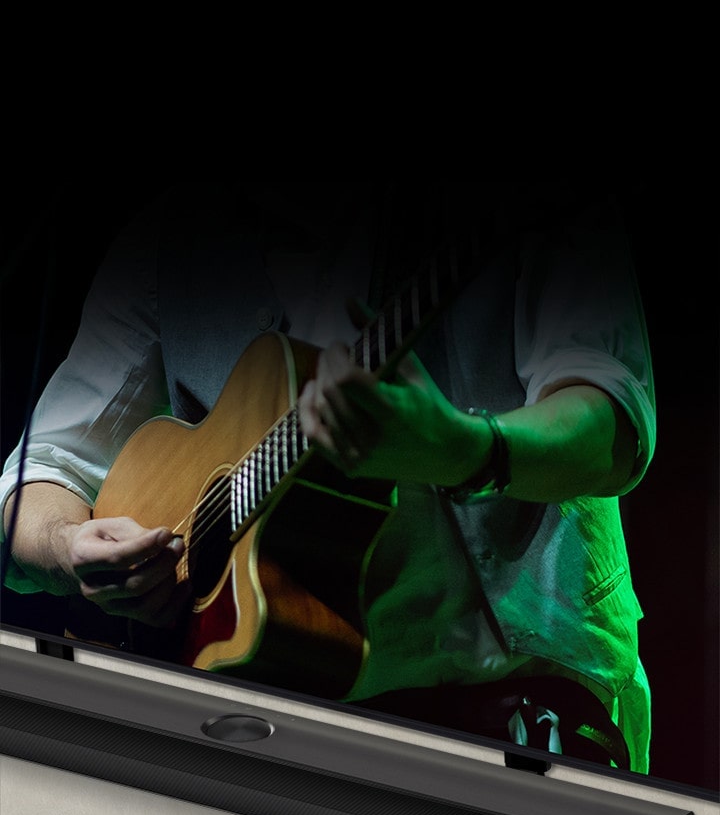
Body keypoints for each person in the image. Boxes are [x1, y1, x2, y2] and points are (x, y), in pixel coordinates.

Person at [0, 180, 656, 773]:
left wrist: (461, 448)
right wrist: (67, 550)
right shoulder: (171, 232)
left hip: (509, 714)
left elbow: (611, 425)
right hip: (251, 738)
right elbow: (37, 477)